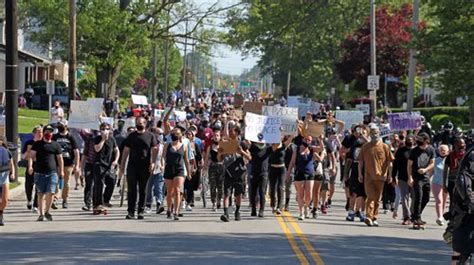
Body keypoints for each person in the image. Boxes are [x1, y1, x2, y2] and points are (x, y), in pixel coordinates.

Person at [119, 117, 158, 220]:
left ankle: (141, 211)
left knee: (143, 189)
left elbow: (154, 149)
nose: (139, 125)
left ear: (145, 124)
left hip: (145, 167)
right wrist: (122, 166)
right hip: (132, 166)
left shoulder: (150, 136)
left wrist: (153, 162)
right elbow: (126, 151)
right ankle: (131, 211)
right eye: (137, 123)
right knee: (131, 189)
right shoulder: (131, 136)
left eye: (140, 123)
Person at [358, 125, 394, 227]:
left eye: (376, 133)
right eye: (372, 133)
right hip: (368, 177)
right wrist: (360, 174)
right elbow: (360, 161)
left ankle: (374, 217)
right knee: (370, 197)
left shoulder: (385, 147)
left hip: (381, 177)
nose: (374, 135)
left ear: (379, 134)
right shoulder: (365, 146)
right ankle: (368, 216)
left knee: (377, 199)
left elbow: (390, 162)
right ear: (369, 135)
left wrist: (390, 175)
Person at [30, 125, 64, 221]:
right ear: (44, 132)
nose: (49, 133)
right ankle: (41, 214)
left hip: (52, 173)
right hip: (39, 173)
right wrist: (33, 164)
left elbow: (60, 159)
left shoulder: (56, 145)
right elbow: (32, 156)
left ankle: (47, 211)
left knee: (51, 192)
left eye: (51, 132)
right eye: (47, 131)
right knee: (40, 193)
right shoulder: (37, 144)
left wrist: (61, 171)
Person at [219, 125, 251, 222]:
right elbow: (219, 159)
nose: (230, 133)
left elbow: (249, 158)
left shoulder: (242, 144)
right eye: (229, 131)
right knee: (226, 194)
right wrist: (220, 153)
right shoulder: (225, 143)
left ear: (237, 133)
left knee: (238, 194)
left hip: (239, 173)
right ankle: (226, 214)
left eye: (232, 131)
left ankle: (237, 211)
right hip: (228, 172)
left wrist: (241, 151)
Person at [408, 132, 436, 229]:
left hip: (426, 177)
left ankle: (416, 215)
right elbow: (409, 165)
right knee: (418, 197)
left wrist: (425, 169)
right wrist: (410, 177)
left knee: (426, 198)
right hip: (416, 177)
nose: (419, 141)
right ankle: (417, 218)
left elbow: (433, 163)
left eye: (421, 139)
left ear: (426, 140)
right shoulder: (414, 151)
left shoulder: (431, 149)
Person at [162, 128, 191, 220]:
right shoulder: (167, 145)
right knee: (169, 192)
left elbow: (186, 160)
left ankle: (176, 211)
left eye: (177, 133)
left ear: (180, 135)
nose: (174, 135)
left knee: (177, 190)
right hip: (169, 169)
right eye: (173, 133)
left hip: (179, 170)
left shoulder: (184, 146)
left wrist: (189, 172)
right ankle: (169, 209)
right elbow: (163, 157)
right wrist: (162, 165)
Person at [93, 122, 120, 212]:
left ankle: (106, 200)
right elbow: (97, 149)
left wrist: (115, 160)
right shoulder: (97, 138)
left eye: (107, 129)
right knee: (99, 184)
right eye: (103, 129)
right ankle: (98, 204)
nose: (105, 131)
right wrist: (103, 140)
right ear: (100, 130)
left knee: (112, 182)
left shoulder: (112, 139)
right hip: (99, 164)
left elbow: (117, 151)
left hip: (109, 165)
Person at [53, 121, 80, 209]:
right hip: (56, 164)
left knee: (66, 183)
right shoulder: (55, 137)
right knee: (56, 182)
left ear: (66, 126)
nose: (60, 127)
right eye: (59, 126)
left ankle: (65, 199)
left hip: (68, 164)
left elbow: (76, 152)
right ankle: (55, 199)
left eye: (61, 125)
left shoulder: (71, 137)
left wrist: (77, 165)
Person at [392, 135, 416, 225]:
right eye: (408, 140)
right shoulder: (400, 151)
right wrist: (393, 176)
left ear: (414, 141)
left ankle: (413, 215)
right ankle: (406, 217)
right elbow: (395, 165)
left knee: (414, 198)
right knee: (404, 198)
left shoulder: (416, 151)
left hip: (414, 179)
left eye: (411, 140)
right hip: (402, 178)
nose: (409, 141)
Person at [268, 135, 293, 215]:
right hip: (272, 168)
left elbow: (291, 138)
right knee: (272, 188)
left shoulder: (284, 145)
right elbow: (275, 147)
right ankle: (273, 204)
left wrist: (294, 127)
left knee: (280, 187)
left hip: (281, 169)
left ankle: (279, 207)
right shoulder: (272, 146)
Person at [144, 127, 165, 214]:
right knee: (149, 187)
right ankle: (148, 204)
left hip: (159, 168)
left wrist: (163, 166)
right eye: (159, 134)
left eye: (161, 134)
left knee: (158, 188)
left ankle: (159, 204)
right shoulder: (148, 144)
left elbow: (162, 157)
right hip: (148, 169)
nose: (161, 136)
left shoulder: (162, 146)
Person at [248, 141, 272, 217]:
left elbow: (276, 145)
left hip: (263, 173)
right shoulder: (253, 147)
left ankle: (261, 210)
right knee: (253, 192)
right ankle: (253, 209)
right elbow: (247, 143)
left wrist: (278, 135)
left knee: (262, 192)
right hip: (254, 172)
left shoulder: (267, 148)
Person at [23, 125, 43, 211]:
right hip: (30, 165)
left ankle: (36, 205)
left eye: (41, 132)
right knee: (29, 185)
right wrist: (28, 153)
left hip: (40, 166)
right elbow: (23, 156)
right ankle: (29, 200)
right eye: (38, 132)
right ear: (34, 134)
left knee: (39, 186)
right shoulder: (29, 143)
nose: (40, 134)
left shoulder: (43, 143)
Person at [204, 127, 224, 211]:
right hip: (212, 167)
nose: (216, 137)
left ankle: (219, 200)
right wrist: (205, 167)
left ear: (220, 136)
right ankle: (214, 203)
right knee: (213, 186)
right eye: (215, 135)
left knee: (221, 187)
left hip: (221, 167)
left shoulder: (223, 146)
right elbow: (207, 157)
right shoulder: (210, 147)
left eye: (218, 135)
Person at [432, 144, 449, 226]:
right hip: (436, 183)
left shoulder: (449, 160)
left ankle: (441, 215)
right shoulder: (435, 160)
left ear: (448, 151)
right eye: (441, 150)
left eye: (444, 150)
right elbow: (431, 171)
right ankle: (439, 217)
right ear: (439, 151)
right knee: (439, 200)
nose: (443, 151)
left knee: (444, 201)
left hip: (446, 183)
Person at [0, 136, 15, 225]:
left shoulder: (6, 151)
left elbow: (11, 163)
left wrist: (12, 173)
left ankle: (1, 212)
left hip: (4, 175)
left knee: (5, 200)